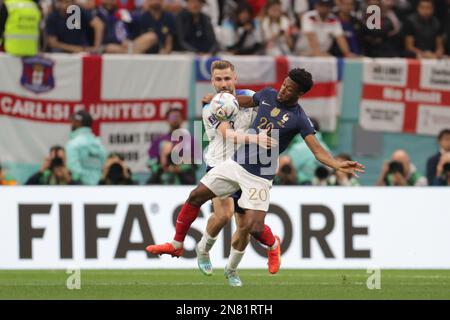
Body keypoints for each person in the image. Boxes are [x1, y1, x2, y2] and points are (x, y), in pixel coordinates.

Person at [146, 68, 365, 284]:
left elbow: (317, 151)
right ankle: (176, 246)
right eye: (284, 85)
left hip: (261, 175)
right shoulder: (268, 94)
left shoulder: (300, 119)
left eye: (289, 90)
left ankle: (272, 245)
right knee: (196, 196)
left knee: (253, 227)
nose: (283, 91)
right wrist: (217, 99)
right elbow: (242, 102)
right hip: (237, 163)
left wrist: (337, 164)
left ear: (300, 94)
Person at [195, 60, 278, 286]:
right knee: (223, 215)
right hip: (220, 163)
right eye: (219, 80)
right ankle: (203, 249)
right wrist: (255, 139)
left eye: (227, 78)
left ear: (235, 79)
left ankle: (231, 270)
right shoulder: (209, 109)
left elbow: (268, 111)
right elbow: (228, 134)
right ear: (212, 82)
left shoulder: (250, 97)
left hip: (246, 167)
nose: (223, 84)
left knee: (244, 227)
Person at [66, 110, 108, 185]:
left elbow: (73, 169)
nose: (72, 123)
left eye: (73, 121)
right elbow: (104, 168)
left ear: (78, 122)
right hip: (98, 189)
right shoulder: (99, 145)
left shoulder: (73, 144)